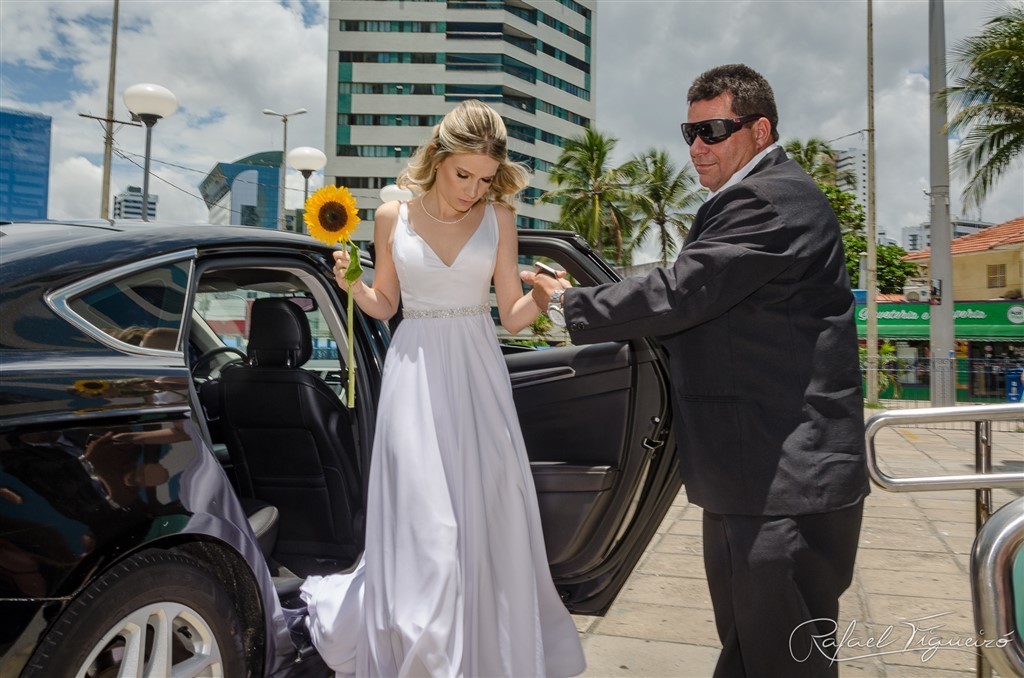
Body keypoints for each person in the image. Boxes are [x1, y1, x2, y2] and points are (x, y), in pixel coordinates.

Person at [525, 64, 869, 677]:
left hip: (786, 483)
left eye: (713, 130)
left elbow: (685, 291)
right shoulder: (753, 196)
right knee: (748, 653)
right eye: (689, 132)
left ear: (760, 130)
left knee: (781, 662)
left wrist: (568, 304)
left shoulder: (769, 197)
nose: (696, 148)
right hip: (756, 478)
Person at [299, 99, 586, 678]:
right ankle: (427, 657)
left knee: (484, 516)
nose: (473, 190)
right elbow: (383, 306)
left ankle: (482, 654)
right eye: (463, 175)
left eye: (485, 180)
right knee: (428, 525)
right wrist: (350, 282)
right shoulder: (390, 218)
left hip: (479, 374)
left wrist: (547, 296)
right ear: (438, 156)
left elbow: (511, 315)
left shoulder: (498, 219)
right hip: (415, 374)